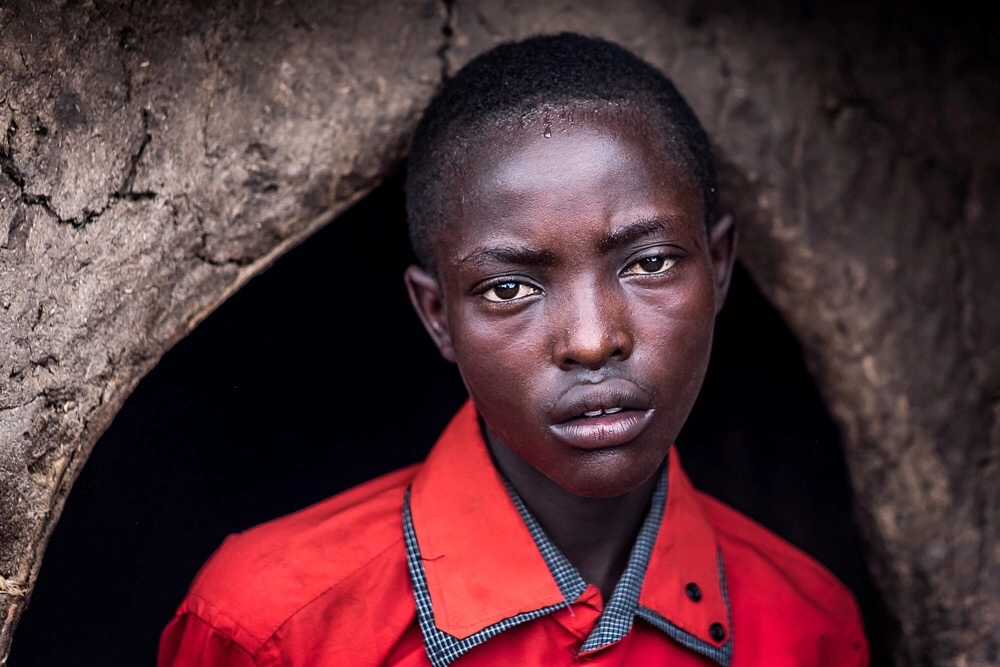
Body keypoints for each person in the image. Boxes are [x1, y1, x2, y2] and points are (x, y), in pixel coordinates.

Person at [158, 33, 869, 666]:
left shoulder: (808, 628)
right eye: (509, 288)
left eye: (649, 263)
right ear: (437, 314)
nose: (593, 341)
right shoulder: (271, 628)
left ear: (718, 267)